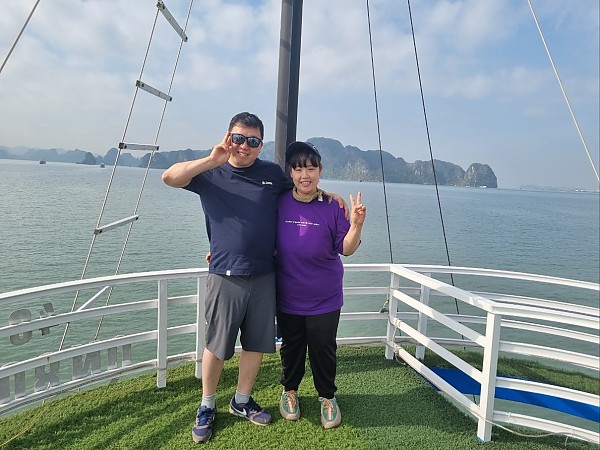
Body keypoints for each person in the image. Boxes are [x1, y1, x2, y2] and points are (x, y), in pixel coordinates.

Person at [161, 113, 347, 443]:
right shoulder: (211, 173)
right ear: (227, 137)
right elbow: (169, 177)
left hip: (264, 274)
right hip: (225, 273)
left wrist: (329, 195)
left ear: (260, 145)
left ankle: (242, 400)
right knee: (217, 344)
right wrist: (211, 159)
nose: (244, 146)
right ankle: (207, 405)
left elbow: (302, 187)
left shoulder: (271, 174)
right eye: (238, 138)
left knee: (256, 344)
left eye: (252, 141)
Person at [275, 141, 366, 429]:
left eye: (311, 169)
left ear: (320, 171)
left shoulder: (332, 206)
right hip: (288, 295)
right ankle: (289, 392)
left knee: (323, 349)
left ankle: (327, 397)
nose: (305, 175)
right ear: (291, 173)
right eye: (299, 169)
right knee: (291, 347)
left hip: (325, 298)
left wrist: (356, 224)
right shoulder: (278, 201)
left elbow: (347, 249)